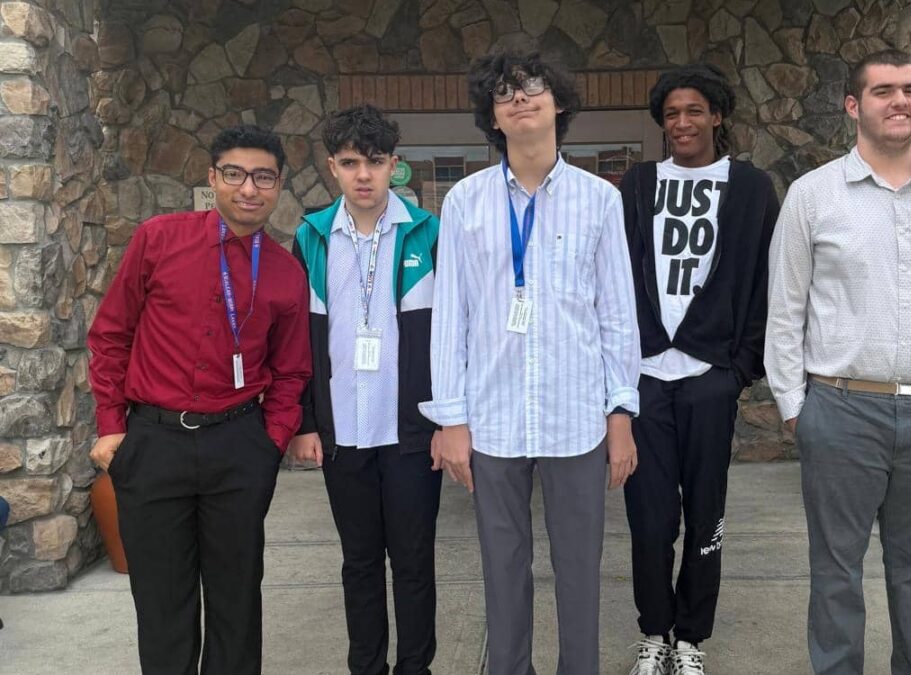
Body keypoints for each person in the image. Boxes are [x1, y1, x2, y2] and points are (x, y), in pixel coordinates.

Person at [764, 50, 911, 675]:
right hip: (840, 412)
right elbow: (785, 310)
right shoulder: (813, 196)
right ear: (854, 105)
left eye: (910, 90)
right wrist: (795, 408)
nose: (900, 101)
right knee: (836, 571)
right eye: (883, 91)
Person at [418, 51, 640, 675]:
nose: (519, 98)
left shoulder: (600, 200)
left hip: (577, 417)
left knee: (580, 567)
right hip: (493, 420)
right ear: (491, 116)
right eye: (504, 92)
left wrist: (620, 414)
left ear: (558, 102)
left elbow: (617, 315)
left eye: (533, 86)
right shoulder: (464, 202)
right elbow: (451, 316)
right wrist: (452, 419)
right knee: (502, 566)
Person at [87, 125, 311, 674]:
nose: (249, 188)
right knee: (162, 602)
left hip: (238, 446)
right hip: (153, 443)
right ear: (213, 178)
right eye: (235, 174)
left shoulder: (285, 273)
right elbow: (111, 334)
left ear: (279, 185)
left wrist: (269, 444)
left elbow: (291, 371)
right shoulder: (158, 239)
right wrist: (112, 426)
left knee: (237, 600)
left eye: (263, 177)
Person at [619, 63, 778, 675]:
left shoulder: (751, 188)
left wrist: (740, 369)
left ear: (717, 115)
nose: (682, 122)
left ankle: (691, 639)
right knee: (649, 518)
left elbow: (765, 283)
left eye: (694, 111)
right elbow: (616, 275)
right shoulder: (638, 185)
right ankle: (653, 633)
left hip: (711, 377)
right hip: (645, 378)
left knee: (706, 513)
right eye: (671, 114)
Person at [287, 104, 442, 675]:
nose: (364, 175)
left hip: (410, 432)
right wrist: (306, 422)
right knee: (359, 562)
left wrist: (448, 420)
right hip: (342, 432)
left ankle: (415, 667)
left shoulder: (427, 232)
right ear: (333, 166)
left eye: (375, 162)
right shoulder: (311, 237)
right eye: (351, 162)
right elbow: (296, 338)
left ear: (394, 165)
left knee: (413, 562)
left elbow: (453, 333)